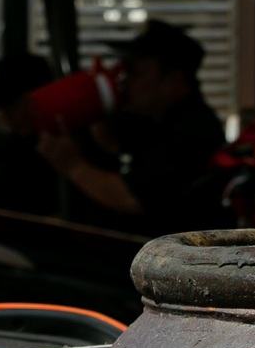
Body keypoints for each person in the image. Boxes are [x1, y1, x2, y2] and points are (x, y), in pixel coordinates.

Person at [36, 20, 229, 233]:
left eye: (136, 72)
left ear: (174, 80)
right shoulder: (153, 117)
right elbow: (114, 145)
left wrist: (72, 165)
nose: (125, 80)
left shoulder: (193, 131)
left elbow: (132, 197)